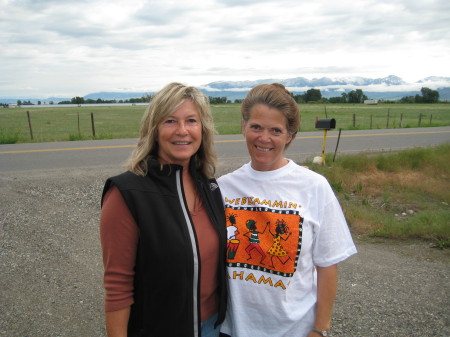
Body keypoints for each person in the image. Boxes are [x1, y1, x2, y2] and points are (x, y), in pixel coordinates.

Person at [217, 83, 357, 337]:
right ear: (243, 127)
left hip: (295, 329)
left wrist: (320, 328)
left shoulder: (314, 187)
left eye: (276, 130)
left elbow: (327, 266)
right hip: (232, 329)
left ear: (290, 136)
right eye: (256, 127)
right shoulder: (223, 188)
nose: (264, 138)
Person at [99, 82, 227, 337]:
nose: (182, 131)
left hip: (213, 327)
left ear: (203, 129)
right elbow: (117, 287)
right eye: (170, 121)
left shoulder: (209, 186)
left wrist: (288, 175)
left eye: (191, 121)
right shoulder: (127, 193)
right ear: (154, 130)